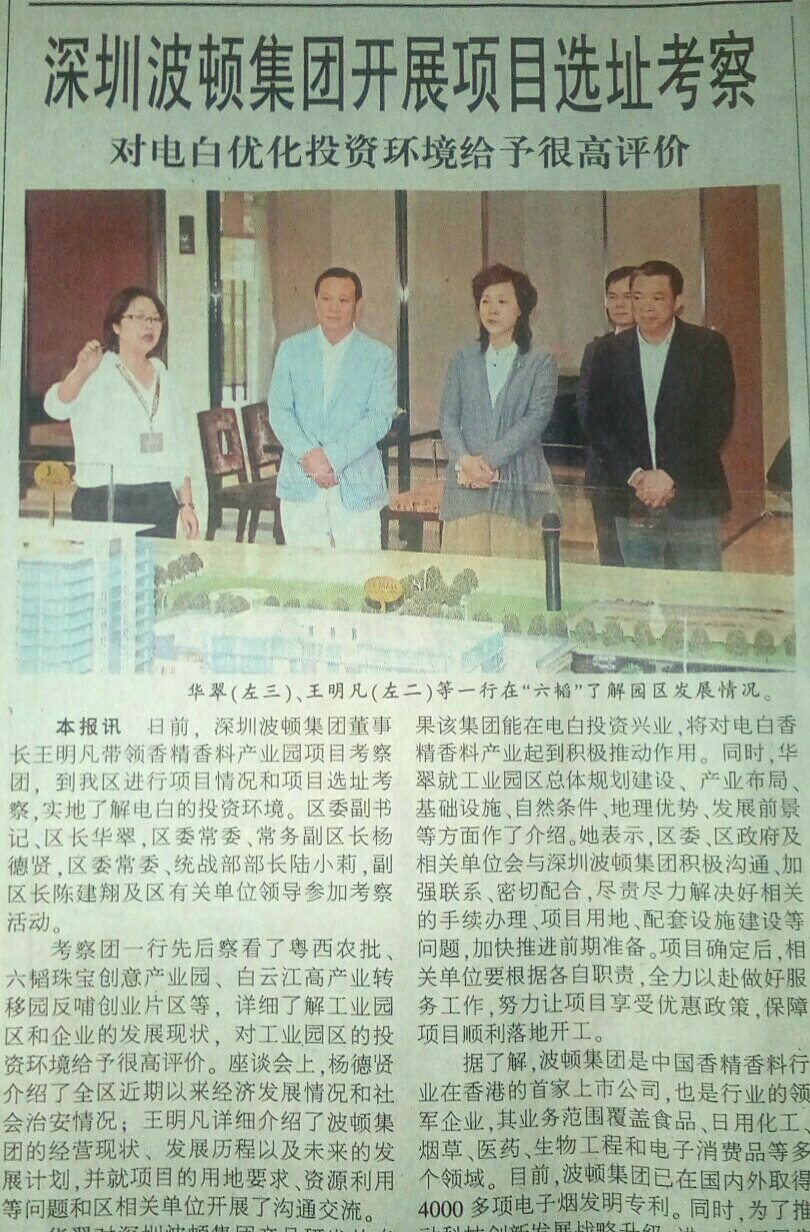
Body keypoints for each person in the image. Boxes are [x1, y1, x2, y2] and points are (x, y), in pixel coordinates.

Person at [585, 260, 735, 571]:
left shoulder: (707, 346)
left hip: (692, 495)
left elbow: (717, 422)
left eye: (657, 297)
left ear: (677, 301)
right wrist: (637, 476)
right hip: (633, 497)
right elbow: (598, 424)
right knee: (642, 591)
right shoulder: (609, 352)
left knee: (700, 590)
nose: (646, 306)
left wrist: (670, 475)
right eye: (637, 297)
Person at [44, 286, 199, 539]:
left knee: (156, 565)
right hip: (104, 500)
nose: (149, 325)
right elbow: (56, 407)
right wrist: (81, 372)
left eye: (155, 318)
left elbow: (179, 448)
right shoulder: (97, 369)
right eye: (139, 317)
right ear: (116, 326)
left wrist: (186, 504)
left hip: (158, 500)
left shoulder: (166, 379)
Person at [268, 267, 396, 551]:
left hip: (357, 485)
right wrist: (309, 456)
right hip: (302, 483)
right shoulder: (291, 349)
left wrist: (332, 457)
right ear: (315, 302)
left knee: (360, 572)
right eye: (326, 299)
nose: (334, 308)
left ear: (358, 305)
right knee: (305, 574)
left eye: (343, 300)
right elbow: (279, 410)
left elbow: (379, 417)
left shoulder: (379, 356)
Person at [439, 263, 557, 558]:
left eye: (502, 301)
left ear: (521, 309)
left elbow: (536, 418)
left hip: (518, 484)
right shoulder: (463, 358)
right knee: (464, 573)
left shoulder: (540, 361)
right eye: (486, 301)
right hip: (466, 484)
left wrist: (488, 461)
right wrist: (466, 461)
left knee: (515, 572)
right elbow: (448, 417)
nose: (492, 309)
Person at [575, 265, 636, 566]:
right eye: (613, 297)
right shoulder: (596, 349)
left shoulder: (657, 346)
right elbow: (585, 407)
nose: (620, 304)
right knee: (611, 556)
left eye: (628, 296)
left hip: (645, 472)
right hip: (604, 470)